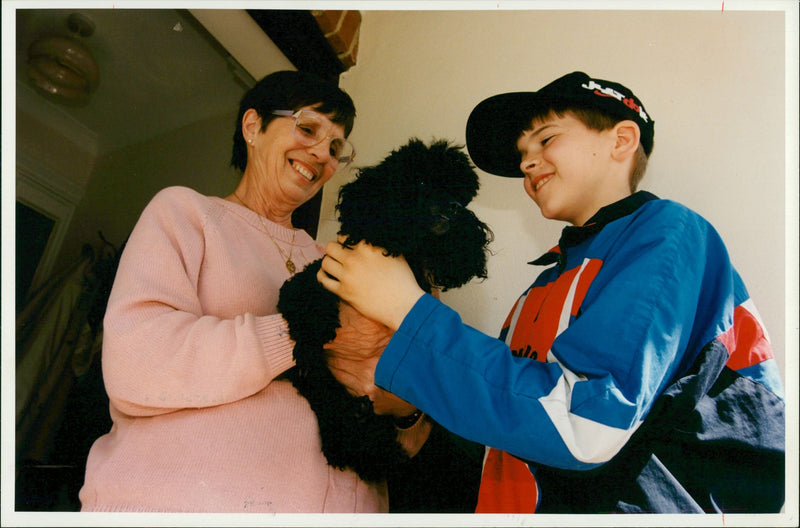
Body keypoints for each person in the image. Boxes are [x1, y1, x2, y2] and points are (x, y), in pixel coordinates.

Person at [317, 71, 786, 514]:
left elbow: (586, 426)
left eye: (546, 139)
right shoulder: (541, 287)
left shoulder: (670, 233)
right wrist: (407, 408)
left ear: (622, 140)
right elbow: (509, 434)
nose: (526, 161)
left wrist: (404, 307)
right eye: (523, 151)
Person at [79, 70, 402, 512]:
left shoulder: (333, 260)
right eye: (308, 128)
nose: (322, 155)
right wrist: (305, 332)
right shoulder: (187, 213)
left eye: (335, 147)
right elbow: (136, 363)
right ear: (253, 127)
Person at [277, 139, 492, 511]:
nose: (446, 211)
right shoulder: (341, 264)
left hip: (402, 443)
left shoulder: (423, 292)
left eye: (453, 204)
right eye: (429, 195)